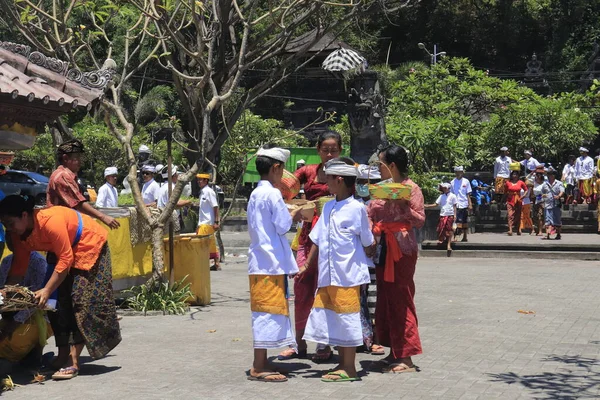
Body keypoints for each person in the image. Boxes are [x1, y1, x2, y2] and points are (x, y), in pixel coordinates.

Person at [0, 196, 121, 380]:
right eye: (4, 225)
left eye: (10, 223)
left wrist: (47, 289)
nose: (9, 230)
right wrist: (6, 296)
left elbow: (66, 259)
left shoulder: (50, 222)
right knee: (54, 305)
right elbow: (18, 268)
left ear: (24, 215)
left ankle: (73, 361)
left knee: (80, 300)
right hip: (62, 250)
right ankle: (62, 354)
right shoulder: (19, 235)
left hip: (88, 244)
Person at [299, 158, 375, 382]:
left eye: (329, 179)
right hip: (328, 275)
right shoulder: (329, 207)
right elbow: (317, 239)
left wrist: (370, 254)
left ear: (339, 180)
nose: (325, 183)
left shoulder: (357, 208)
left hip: (347, 275)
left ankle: (350, 368)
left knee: (347, 318)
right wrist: (306, 265)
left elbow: (367, 241)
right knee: (335, 319)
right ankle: (342, 364)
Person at [278, 131, 341, 362]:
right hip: (307, 236)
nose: (330, 153)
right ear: (318, 150)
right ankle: (299, 342)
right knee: (302, 287)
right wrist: (294, 205)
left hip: (335, 239)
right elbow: (286, 185)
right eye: (325, 149)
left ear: (341, 150)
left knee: (326, 290)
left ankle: (325, 344)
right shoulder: (309, 171)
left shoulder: (345, 171)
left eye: (334, 149)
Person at [367, 145, 425, 373]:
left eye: (380, 165)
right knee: (385, 300)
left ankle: (407, 356)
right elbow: (371, 212)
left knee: (401, 298)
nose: (378, 169)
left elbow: (420, 220)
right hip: (382, 247)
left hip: (402, 250)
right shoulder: (380, 189)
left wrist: (403, 206)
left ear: (391, 166)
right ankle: (394, 351)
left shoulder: (412, 188)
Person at [246, 147, 301, 383]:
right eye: (282, 169)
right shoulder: (273, 194)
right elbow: (281, 225)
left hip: (260, 262)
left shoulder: (256, 194)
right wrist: (295, 214)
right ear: (276, 168)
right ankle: (259, 366)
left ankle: (262, 361)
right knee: (268, 313)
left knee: (266, 311)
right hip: (269, 264)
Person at [47, 139, 120, 229]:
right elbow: (79, 203)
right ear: (65, 158)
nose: (80, 161)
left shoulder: (68, 176)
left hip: (68, 225)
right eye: (77, 158)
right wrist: (103, 217)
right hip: (60, 226)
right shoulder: (62, 176)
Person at [0, 252, 52, 366]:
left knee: (14, 344)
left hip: (37, 316)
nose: (12, 240)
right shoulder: (6, 261)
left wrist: (13, 325)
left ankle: (34, 351)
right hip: (10, 315)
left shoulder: (38, 262)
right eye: (9, 236)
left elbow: (36, 300)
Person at [196, 173, 220, 270]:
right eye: (198, 180)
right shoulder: (202, 192)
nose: (198, 182)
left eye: (200, 180)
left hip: (207, 222)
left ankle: (205, 263)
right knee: (209, 243)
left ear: (206, 181)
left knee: (203, 244)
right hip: (203, 222)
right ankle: (216, 263)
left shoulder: (209, 192)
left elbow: (215, 206)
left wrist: (216, 221)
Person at [425, 182, 457, 255]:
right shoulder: (441, 196)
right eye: (443, 188)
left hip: (450, 214)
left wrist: (455, 215)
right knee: (441, 229)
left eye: (445, 188)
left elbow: (454, 206)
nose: (444, 189)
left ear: (449, 188)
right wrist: (427, 206)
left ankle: (449, 245)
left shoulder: (453, 196)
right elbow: (436, 204)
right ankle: (445, 240)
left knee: (449, 230)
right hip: (443, 214)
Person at [450, 166, 472, 242]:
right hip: (456, 204)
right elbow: (451, 195)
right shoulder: (452, 182)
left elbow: (468, 194)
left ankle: (465, 236)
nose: (458, 173)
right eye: (457, 172)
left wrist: (470, 204)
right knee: (455, 221)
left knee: (464, 221)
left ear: (462, 173)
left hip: (464, 203)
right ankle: (454, 236)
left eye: (460, 172)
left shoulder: (466, 181)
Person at [542, 169, 565, 240]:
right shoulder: (545, 184)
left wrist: (558, 196)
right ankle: (548, 234)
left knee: (557, 220)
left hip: (556, 204)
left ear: (554, 175)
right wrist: (543, 198)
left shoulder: (559, 183)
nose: (550, 176)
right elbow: (542, 193)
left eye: (551, 174)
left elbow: (562, 191)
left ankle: (558, 234)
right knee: (547, 220)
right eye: (548, 174)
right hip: (547, 204)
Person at [504, 170, 528, 236]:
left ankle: (518, 229)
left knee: (518, 214)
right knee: (510, 215)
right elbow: (505, 191)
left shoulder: (520, 182)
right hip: (510, 200)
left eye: (516, 174)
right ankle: (510, 229)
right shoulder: (508, 183)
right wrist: (503, 200)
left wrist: (524, 195)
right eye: (513, 174)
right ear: (511, 175)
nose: (515, 176)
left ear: (518, 176)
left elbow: (526, 189)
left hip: (518, 200)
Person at [532, 167, 546, 236]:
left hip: (542, 202)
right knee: (534, 216)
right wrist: (533, 172)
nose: (536, 177)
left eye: (537, 176)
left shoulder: (544, 184)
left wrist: (539, 196)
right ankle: (535, 229)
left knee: (540, 216)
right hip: (534, 202)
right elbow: (526, 179)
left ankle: (540, 231)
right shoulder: (534, 183)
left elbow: (546, 194)